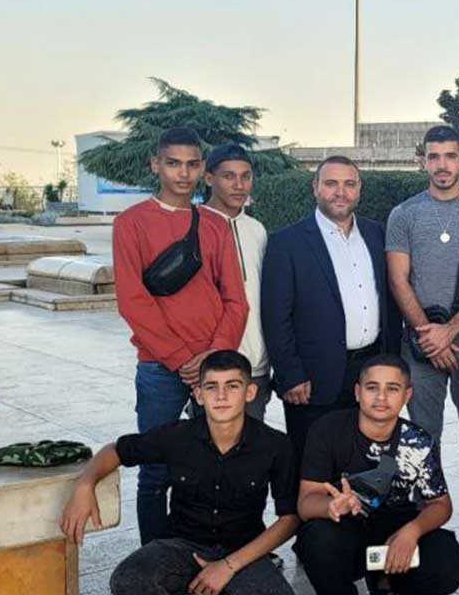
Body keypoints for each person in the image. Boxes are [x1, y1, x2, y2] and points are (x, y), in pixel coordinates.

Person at [59, 351, 298, 595]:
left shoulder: (275, 445)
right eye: (211, 387)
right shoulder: (178, 435)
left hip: (242, 552)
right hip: (181, 546)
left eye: (232, 386)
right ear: (199, 395)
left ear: (250, 392)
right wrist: (84, 486)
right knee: (129, 580)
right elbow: (116, 451)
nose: (221, 396)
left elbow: (289, 519)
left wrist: (228, 566)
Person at [113, 126, 248, 543]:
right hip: (159, 367)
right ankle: (155, 557)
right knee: (155, 470)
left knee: (216, 465)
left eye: (191, 164)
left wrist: (213, 358)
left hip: (213, 369)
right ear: (156, 164)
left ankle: (210, 550)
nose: (183, 174)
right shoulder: (131, 223)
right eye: (173, 163)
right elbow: (133, 302)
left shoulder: (215, 226)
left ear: (202, 168)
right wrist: (180, 359)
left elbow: (236, 301)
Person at [387, 125, 459, 515]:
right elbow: (398, 279)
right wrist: (428, 336)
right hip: (419, 340)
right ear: (423, 161)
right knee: (423, 438)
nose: (442, 165)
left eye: (450, 156)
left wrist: (449, 331)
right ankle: (426, 524)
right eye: (434, 156)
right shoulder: (403, 214)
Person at [295, 352, 459, 595]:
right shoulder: (327, 430)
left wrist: (412, 532)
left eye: (393, 389)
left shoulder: (418, 440)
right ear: (357, 392)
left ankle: (388, 582)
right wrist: (331, 506)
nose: (381, 397)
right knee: (317, 541)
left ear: (407, 395)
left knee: (448, 561)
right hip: (347, 533)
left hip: (397, 532)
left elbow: (441, 505)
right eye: (372, 387)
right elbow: (305, 503)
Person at [262, 155, 397, 467]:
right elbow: (275, 316)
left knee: (366, 467)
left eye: (349, 184)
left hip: (369, 372)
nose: (341, 192)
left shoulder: (377, 234)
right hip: (312, 380)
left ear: (359, 189)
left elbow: (389, 302)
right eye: (331, 184)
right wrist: (290, 375)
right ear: (315, 187)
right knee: (312, 466)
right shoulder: (287, 242)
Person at [202, 143, 272, 420]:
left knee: (251, 441)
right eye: (228, 176)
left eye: (246, 176)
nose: (239, 185)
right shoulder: (194, 226)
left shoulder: (257, 230)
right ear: (209, 178)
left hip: (256, 366)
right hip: (212, 364)